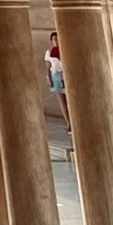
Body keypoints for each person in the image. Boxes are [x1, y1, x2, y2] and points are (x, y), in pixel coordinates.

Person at [45, 30, 70, 158]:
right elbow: (48, 66)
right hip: (56, 76)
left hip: (65, 75)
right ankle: (68, 122)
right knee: (62, 101)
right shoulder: (49, 53)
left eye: (57, 39)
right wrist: (49, 80)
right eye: (54, 39)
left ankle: (72, 121)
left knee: (70, 100)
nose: (55, 41)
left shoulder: (64, 49)